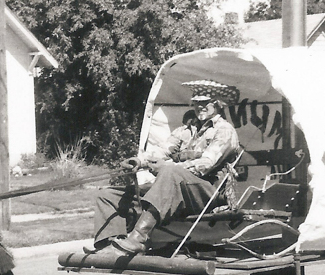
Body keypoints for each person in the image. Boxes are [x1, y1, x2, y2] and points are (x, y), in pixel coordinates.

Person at [93, 79, 242, 255]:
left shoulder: (224, 130)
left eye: (205, 103)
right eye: (196, 103)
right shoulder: (187, 130)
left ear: (217, 104)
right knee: (108, 194)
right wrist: (140, 161)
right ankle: (108, 245)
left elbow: (206, 164)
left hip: (208, 192)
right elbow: (163, 151)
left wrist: (167, 167)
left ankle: (139, 238)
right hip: (177, 187)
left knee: (170, 172)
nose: (200, 107)